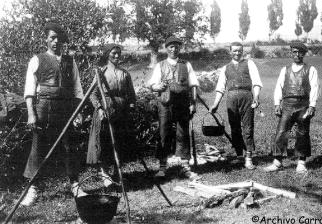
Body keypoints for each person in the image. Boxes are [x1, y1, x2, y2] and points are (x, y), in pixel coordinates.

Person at [21, 22, 86, 206]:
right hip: (44, 108)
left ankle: (75, 185)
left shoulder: (70, 61)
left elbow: (78, 89)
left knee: (69, 147)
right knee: (38, 147)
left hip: (66, 109)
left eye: (59, 38)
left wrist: (78, 112)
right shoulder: (37, 59)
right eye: (52, 38)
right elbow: (29, 90)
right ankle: (33, 189)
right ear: (46, 39)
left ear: (63, 41)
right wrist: (31, 114)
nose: (56, 41)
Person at [148, 36, 199, 180]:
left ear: (179, 48)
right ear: (166, 48)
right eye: (171, 46)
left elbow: (193, 85)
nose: (173, 49)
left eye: (176, 46)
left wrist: (193, 103)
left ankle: (185, 167)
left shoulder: (186, 64)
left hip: (182, 104)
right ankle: (162, 168)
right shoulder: (160, 65)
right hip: (165, 104)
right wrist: (158, 86)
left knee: (183, 133)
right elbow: (152, 85)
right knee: (164, 133)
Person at [264, 42, 319, 174]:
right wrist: (277, 103)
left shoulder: (311, 70)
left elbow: (315, 88)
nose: (297, 55)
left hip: (303, 105)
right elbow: (279, 86)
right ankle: (277, 162)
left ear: (304, 54)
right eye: (294, 52)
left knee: (303, 133)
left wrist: (312, 105)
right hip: (287, 105)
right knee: (281, 132)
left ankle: (301, 163)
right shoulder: (285, 70)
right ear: (291, 53)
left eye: (300, 52)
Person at [87, 44, 136, 186]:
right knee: (105, 142)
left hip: (122, 112)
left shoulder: (124, 73)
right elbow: (93, 94)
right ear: (108, 54)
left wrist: (131, 106)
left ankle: (117, 172)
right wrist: (100, 109)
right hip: (106, 112)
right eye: (113, 53)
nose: (116, 56)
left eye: (118, 53)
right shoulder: (101, 72)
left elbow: (131, 94)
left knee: (121, 141)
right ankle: (104, 174)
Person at [210, 42, 263, 170]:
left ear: (242, 51)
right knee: (234, 128)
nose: (237, 53)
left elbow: (256, 82)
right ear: (230, 52)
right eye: (234, 51)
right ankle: (239, 155)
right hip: (231, 98)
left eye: (239, 50)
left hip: (247, 97)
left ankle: (249, 158)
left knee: (248, 128)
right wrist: (215, 104)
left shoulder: (249, 63)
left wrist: (256, 97)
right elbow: (220, 88)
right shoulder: (225, 68)